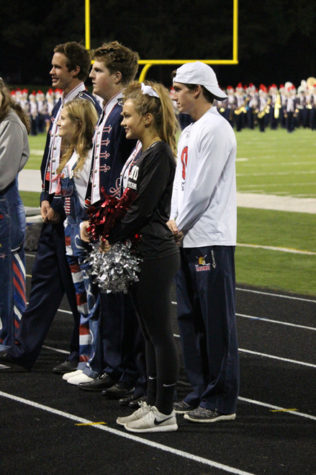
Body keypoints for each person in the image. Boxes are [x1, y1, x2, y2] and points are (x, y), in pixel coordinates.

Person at [0, 42, 101, 372]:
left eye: (58, 66)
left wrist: (58, 202)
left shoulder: (85, 105)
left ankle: (79, 353)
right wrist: (45, 195)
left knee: (76, 289)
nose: (51, 71)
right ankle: (23, 351)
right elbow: (51, 157)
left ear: (75, 70)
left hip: (70, 213)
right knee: (43, 284)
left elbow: (79, 154)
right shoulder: (64, 104)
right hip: (54, 207)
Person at [87, 80, 180, 433]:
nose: (122, 122)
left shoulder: (158, 153)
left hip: (155, 250)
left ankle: (165, 411)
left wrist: (110, 232)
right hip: (140, 248)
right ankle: (153, 402)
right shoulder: (143, 151)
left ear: (147, 116)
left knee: (158, 333)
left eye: (127, 116)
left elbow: (141, 209)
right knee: (147, 332)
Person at [70, 42, 146, 405]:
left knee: (120, 302)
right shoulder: (106, 111)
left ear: (117, 76)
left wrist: (108, 220)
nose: (91, 76)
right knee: (109, 299)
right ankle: (115, 367)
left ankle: (125, 370)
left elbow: (119, 175)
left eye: (98, 70)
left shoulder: (120, 114)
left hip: (114, 223)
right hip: (103, 219)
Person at [167, 61, 239, 424]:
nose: (173, 94)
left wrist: (177, 225)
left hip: (209, 237)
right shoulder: (191, 130)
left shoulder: (216, 129)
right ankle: (199, 391)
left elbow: (202, 189)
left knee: (215, 322)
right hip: (187, 236)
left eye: (178, 88)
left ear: (197, 89)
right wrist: (174, 224)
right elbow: (182, 186)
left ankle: (221, 400)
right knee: (191, 319)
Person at [0, 78, 30, 348]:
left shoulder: (9, 123)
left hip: (5, 209)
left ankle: (13, 340)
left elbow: (3, 174)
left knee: (7, 278)